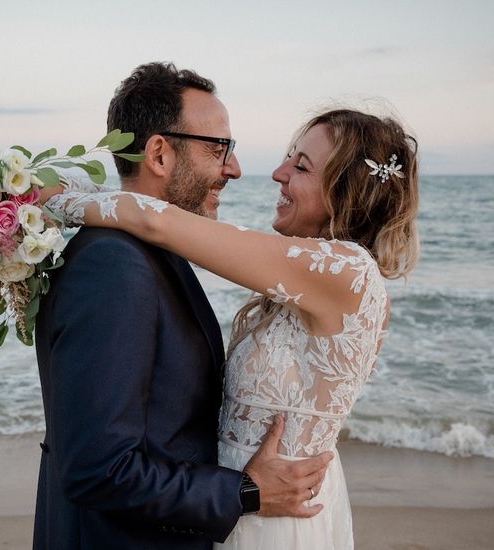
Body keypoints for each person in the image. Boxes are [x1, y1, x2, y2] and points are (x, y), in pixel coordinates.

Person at [46, 107, 420, 549]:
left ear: (346, 192)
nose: (278, 173)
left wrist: (46, 200)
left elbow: (157, 221)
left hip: (275, 516)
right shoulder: (310, 281)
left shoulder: (345, 270)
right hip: (242, 504)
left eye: (300, 166)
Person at [32, 62, 333, 550]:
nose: (233, 168)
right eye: (219, 148)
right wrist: (245, 494)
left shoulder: (143, 252)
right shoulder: (114, 266)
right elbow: (98, 469)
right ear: (159, 153)